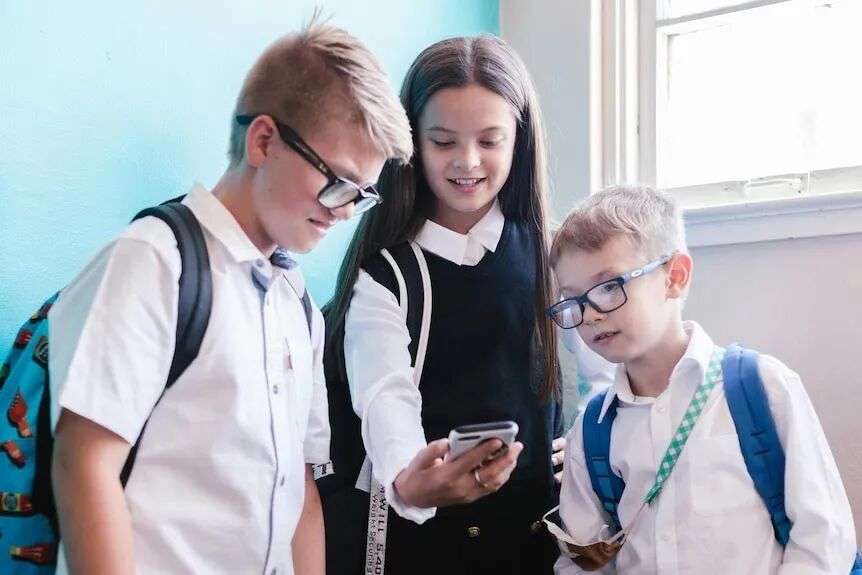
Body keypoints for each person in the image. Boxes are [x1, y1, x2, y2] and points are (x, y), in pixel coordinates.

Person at [49, 18, 412, 575]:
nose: (343, 211)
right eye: (336, 181)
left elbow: (301, 491)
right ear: (263, 140)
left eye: (360, 196)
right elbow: (84, 464)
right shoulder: (155, 262)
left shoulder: (297, 302)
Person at [324, 34, 612, 575]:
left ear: (519, 140)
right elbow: (386, 396)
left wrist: (588, 440)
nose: (467, 162)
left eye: (489, 140)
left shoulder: (551, 253)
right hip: (424, 544)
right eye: (443, 141)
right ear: (411, 143)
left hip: (534, 536)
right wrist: (413, 477)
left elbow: (608, 366)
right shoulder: (387, 276)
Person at [549, 185, 857, 574]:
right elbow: (581, 563)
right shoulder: (591, 432)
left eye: (609, 287)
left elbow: (824, 539)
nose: (590, 315)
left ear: (674, 277)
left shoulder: (761, 388)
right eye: (572, 299)